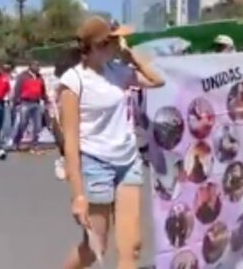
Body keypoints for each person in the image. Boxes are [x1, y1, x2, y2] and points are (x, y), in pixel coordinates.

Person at [59, 16, 165, 269]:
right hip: (96, 164)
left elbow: (157, 81)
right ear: (99, 45)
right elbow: (71, 142)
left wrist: (133, 57)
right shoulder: (73, 82)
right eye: (116, 40)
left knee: (132, 247)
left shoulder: (118, 71)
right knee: (96, 246)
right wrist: (78, 196)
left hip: (127, 160)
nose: (121, 44)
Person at [11, 61, 49, 152]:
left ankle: (34, 143)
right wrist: (15, 102)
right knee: (23, 124)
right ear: (30, 66)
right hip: (25, 102)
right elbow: (17, 89)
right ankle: (16, 141)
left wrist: (46, 99)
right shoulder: (23, 76)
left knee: (38, 125)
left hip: (36, 102)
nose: (38, 67)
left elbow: (42, 90)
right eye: (35, 65)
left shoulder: (39, 77)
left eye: (38, 66)